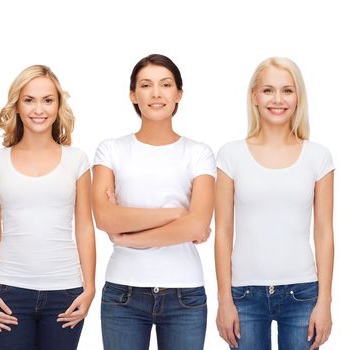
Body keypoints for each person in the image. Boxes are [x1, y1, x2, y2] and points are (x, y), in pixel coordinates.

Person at [92, 54, 215, 350]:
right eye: (146, 85)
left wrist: (127, 236)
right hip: (124, 293)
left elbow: (198, 224)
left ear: (179, 94)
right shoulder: (110, 150)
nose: (156, 93)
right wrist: (176, 214)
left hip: (184, 293)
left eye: (166, 85)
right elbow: (105, 219)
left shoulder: (199, 153)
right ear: (133, 94)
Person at [215, 57, 334, 350]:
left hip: (303, 294)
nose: (277, 99)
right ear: (254, 96)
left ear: (298, 98)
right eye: (268, 90)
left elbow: (324, 233)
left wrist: (325, 302)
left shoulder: (318, 157)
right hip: (244, 295)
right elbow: (222, 233)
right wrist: (224, 301)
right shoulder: (230, 156)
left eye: (287, 90)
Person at [0, 65, 96, 350]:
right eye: (29, 100)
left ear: (58, 106)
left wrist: (90, 288)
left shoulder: (77, 160)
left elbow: (84, 227)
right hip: (9, 291)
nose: (38, 109)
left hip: (66, 291)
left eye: (47, 100)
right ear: (16, 106)